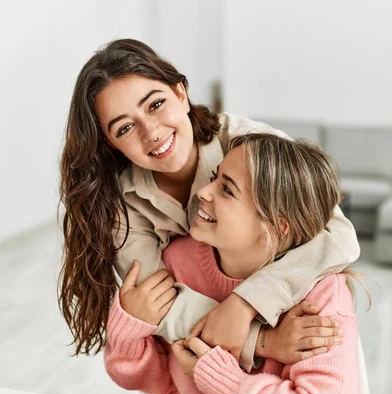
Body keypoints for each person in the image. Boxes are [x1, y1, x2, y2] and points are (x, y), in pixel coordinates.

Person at [58, 39, 360, 371]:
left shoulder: (248, 143)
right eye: (125, 128)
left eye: (155, 104)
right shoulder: (123, 205)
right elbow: (160, 303)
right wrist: (261, 341)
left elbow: (339, 234)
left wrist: (247, 302)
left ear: (180, 93)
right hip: (199, 363)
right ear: (111, 143)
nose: (152, 132)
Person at [105, 134, 360, 394]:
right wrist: (129, 331)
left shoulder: (323, 299)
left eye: (227, 189)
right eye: (215, 177)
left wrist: (216, 375)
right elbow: (149, 382)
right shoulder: (175, 262)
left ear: (276, 226)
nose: (203, 192)